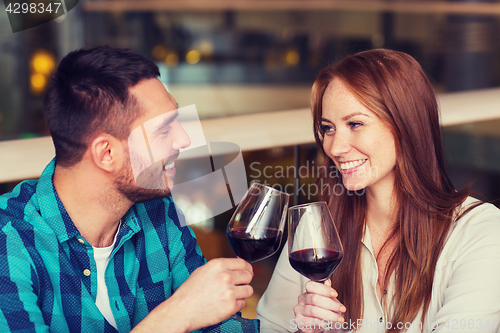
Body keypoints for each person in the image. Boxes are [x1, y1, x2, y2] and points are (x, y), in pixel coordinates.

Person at [0, 46, 259, 332]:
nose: (184, 139)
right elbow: (190, 311)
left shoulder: (160, 212)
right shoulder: (9, 241)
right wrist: (178, 315)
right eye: (164, 130)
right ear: (106, 153)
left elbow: (214, 327)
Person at [255, 49, 500, 333]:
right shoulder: (316, 232)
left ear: (406, 124)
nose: (334, 147)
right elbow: (270, 327)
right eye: (328, 128)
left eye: (355, 124)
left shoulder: (481, 232)